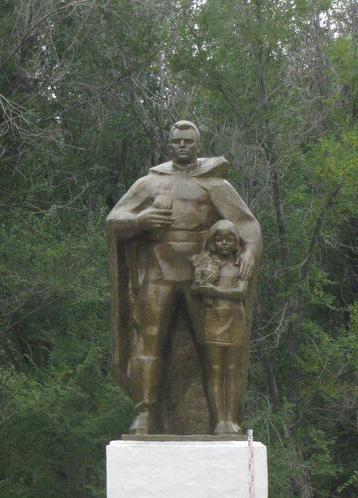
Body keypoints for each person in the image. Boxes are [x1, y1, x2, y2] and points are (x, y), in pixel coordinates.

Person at [107, 121, 262, 435]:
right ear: (169, 144)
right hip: (158, 270)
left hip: (202, 273)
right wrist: (140, 219)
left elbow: (248, 225)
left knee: (213, 346)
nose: (181, 146)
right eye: (176, 141)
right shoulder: (150, 184)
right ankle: (145, 414)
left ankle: (222, 419)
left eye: (187, 141)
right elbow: (114, 220)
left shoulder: (214, 185)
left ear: (197, 145)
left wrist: (249, 253)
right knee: (148, 342)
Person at [190, 221, 248, 434]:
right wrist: (200, 285)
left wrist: (214, 291)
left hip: (235, 319)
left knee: (232, 371)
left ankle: (231, 420)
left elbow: (241, 292)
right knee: (215, 371)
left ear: (236, 242)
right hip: (213, 317)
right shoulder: (206, 264)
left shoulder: (241, 263)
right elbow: (194, 288)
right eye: (219, 238)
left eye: (229, 239)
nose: (224, 243)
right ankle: (219, 420)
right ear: (212, 242)